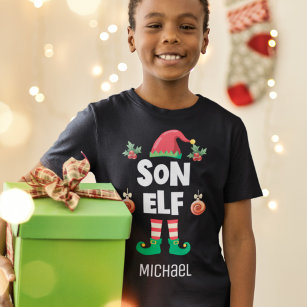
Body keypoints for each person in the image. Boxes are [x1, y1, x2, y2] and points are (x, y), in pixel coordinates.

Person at [0, 0, 263, 306]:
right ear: (131, 38)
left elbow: (239, 238)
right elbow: (23, 197)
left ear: (205, 40)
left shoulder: (228, 129)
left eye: (187, 27)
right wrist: (8, 268)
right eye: (154, 25)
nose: (170, 36)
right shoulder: (100, 120)